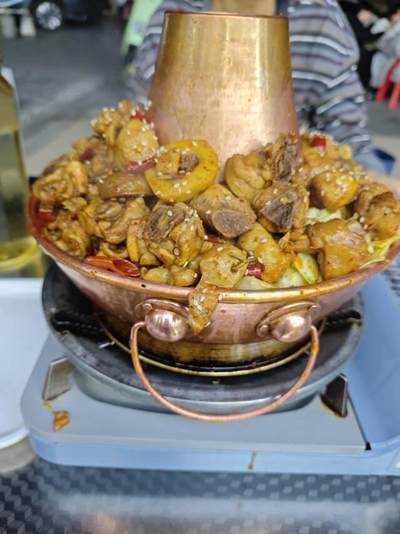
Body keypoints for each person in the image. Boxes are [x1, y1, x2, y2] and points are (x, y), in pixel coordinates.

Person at [128, 0, 386, 173]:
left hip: (292, 189)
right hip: (169, 181)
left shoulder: (320, 18)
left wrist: (377, 181)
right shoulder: (173, 11)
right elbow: (138, 124)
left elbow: (350, 140)